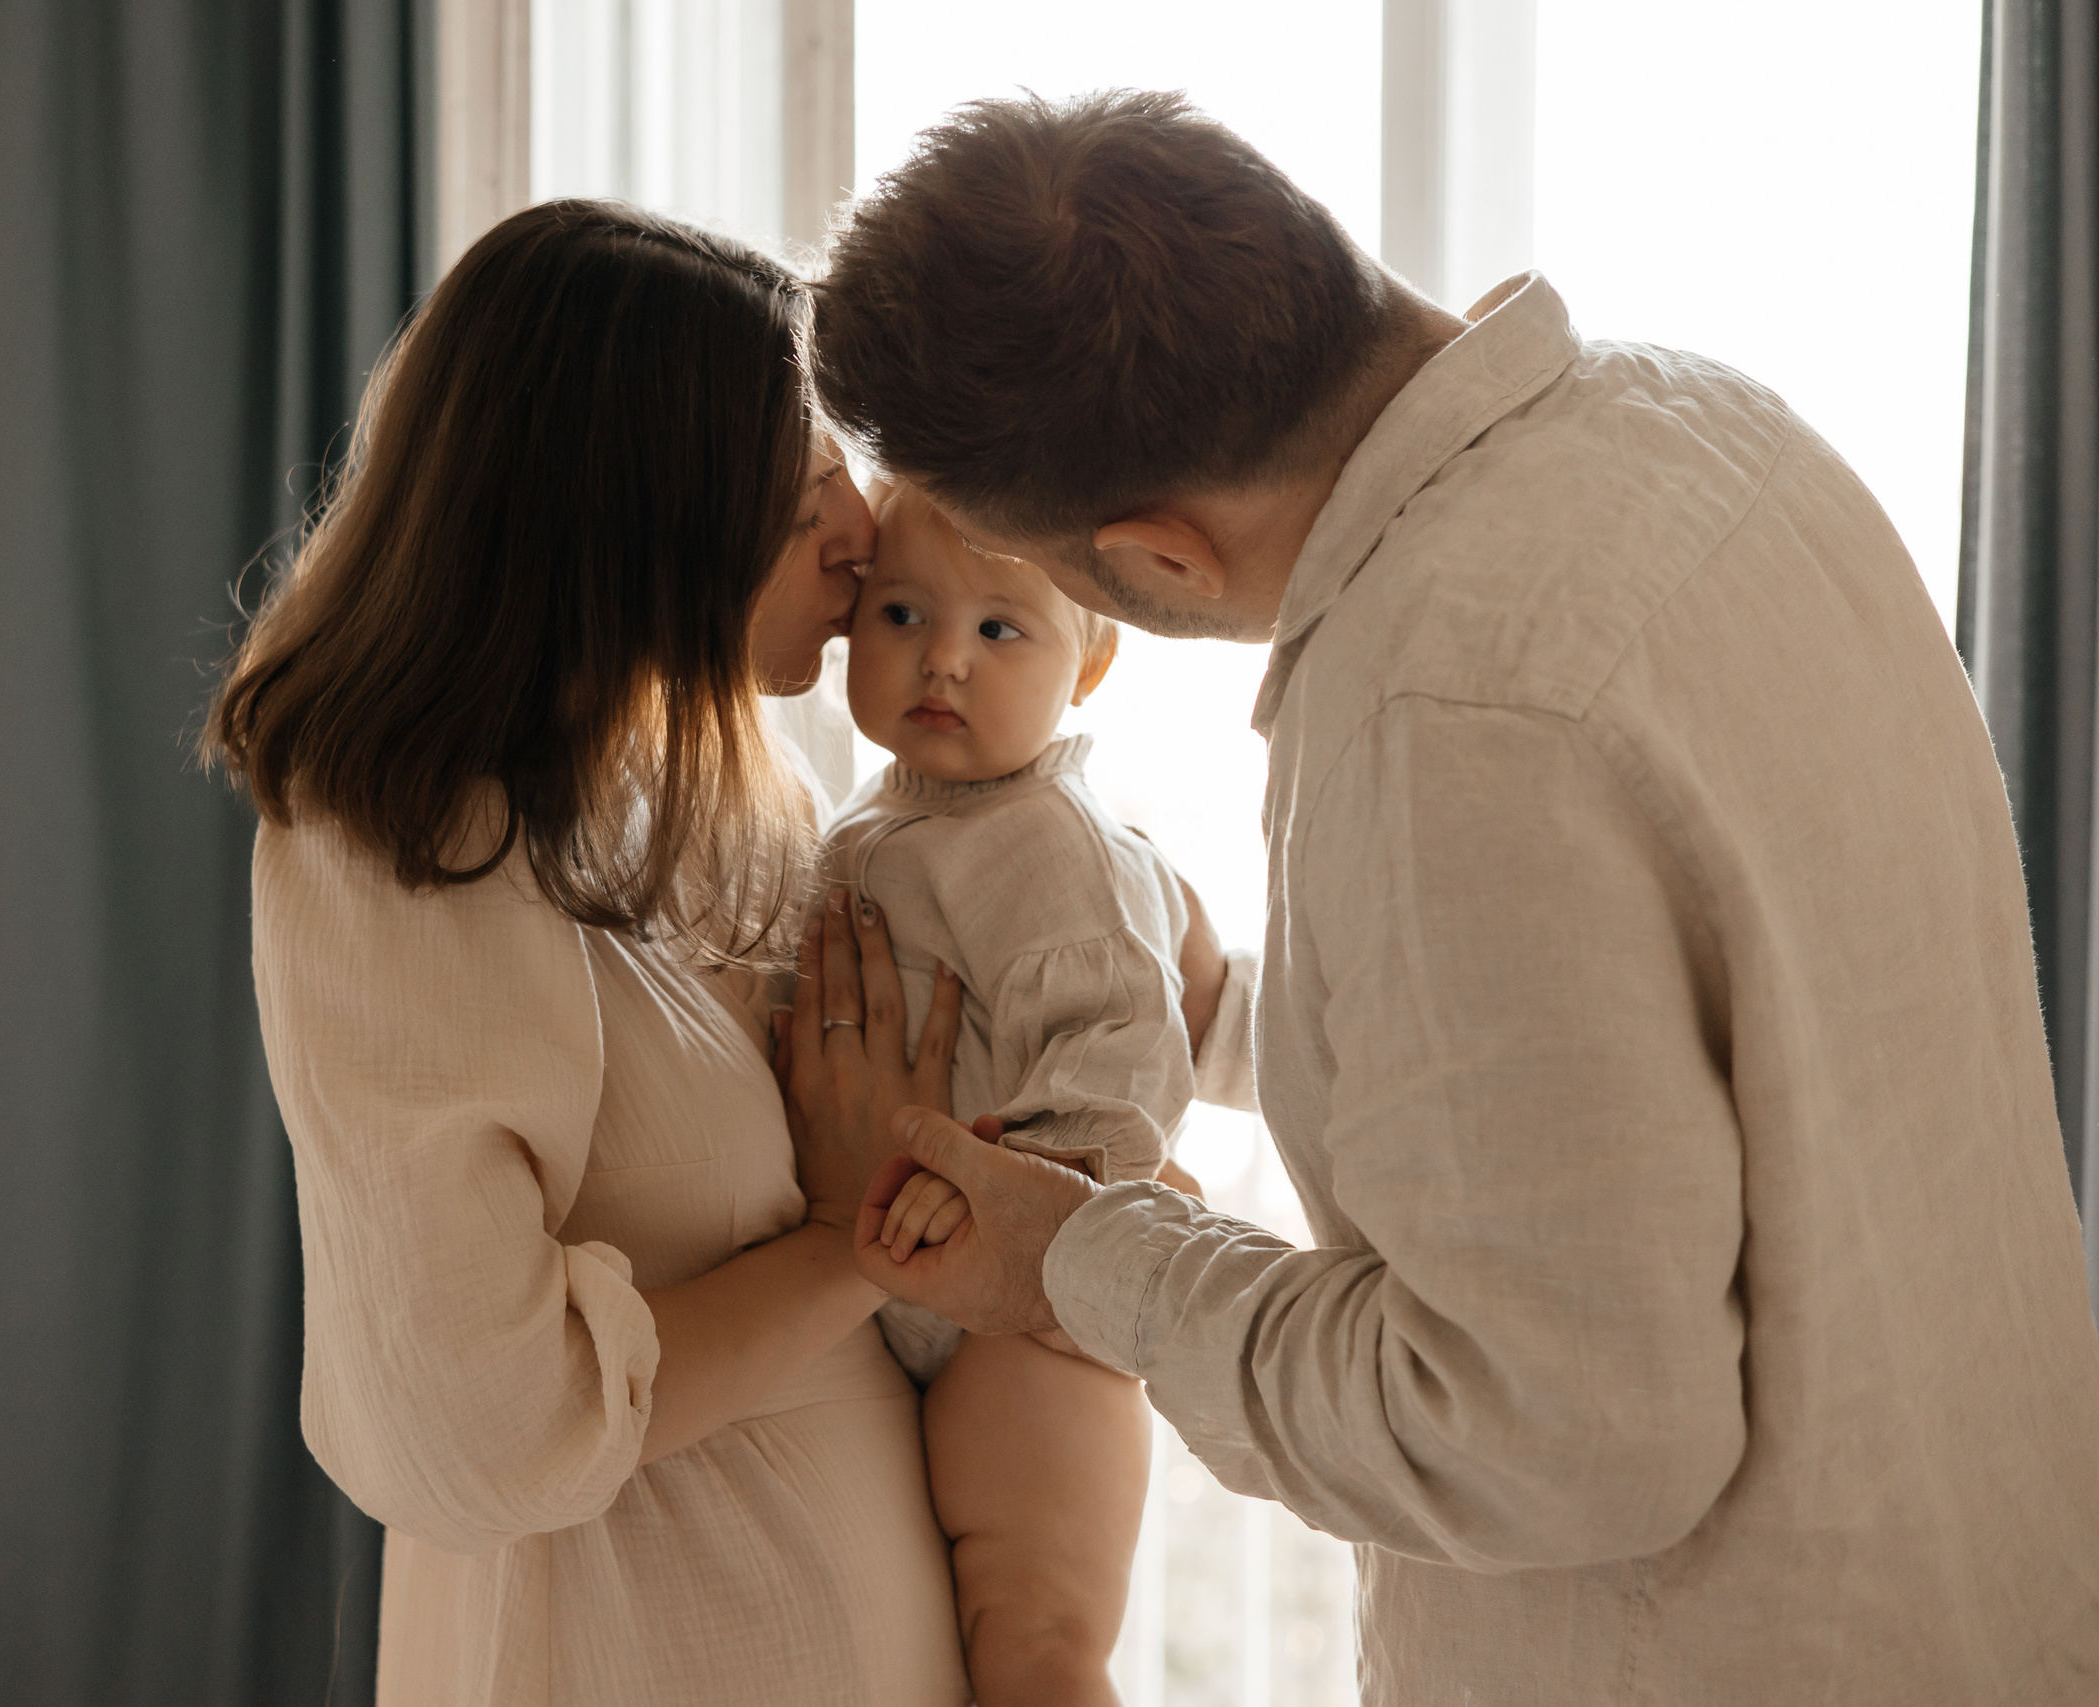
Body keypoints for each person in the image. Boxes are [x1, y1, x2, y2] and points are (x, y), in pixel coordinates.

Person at [815, 91, 2099, 1704]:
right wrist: (1232, 1020)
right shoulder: (1715, 432)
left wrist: (1084, 1264)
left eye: (1044, 589)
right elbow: (1672, 1054)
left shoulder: (1448, 715)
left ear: (1157, 566)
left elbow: (1560, 1430)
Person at [201, 201, 975, 1707]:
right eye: (806, 477)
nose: (862, 526)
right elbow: (480, 1417)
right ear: (636, 500)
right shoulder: (402, 857)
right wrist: (847, 1246)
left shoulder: (719, 803)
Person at [829, 480, 1189, 1706]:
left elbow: (1123, 1053)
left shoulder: (1054, 842)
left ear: (1090, 662)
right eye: (899, 615)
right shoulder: (863, 823)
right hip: (887, 1302)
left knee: (1034, 1644)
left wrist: (1012, 1198)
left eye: (998, 630)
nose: (942, 660)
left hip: (1029, 1320)